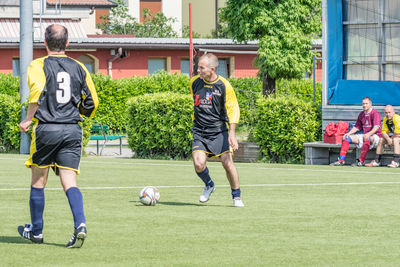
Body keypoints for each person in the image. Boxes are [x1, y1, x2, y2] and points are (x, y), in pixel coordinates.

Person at [18, 24, 99, 248]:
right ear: (67, 43)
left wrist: (27, 119)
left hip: (47, 128)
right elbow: (93, 102)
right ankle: (80, 224)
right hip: (72, 129)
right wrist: (78, 112)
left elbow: (37, 90)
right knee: (69, 181)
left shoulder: (37, 64)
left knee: (38, 181)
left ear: (44, 43)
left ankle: (36, 231)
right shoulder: (80, 66)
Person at [190, 53, 244, 207]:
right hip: (200, 131)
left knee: (227, 163)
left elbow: (233, 109)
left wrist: (232, 134)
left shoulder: (224, 85)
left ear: (212, 69)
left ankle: (237, 197)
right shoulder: (194, 82)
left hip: (219, 131)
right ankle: (209, 185)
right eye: (198, 67)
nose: (198, 70)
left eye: (201, 68)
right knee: (199, 164)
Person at [331, 97, 382, 166]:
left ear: (370, 104)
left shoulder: (375, 113)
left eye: (366, 103)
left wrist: (368, 134)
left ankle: (360, 161)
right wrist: (348, 133)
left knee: (366, 138)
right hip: (365, 134)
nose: (364, 105)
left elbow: (376, 127)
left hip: (376, 136)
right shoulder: (362, 114)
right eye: (363, 104)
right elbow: (357, 127)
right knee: (346, 138)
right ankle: (341, 160)